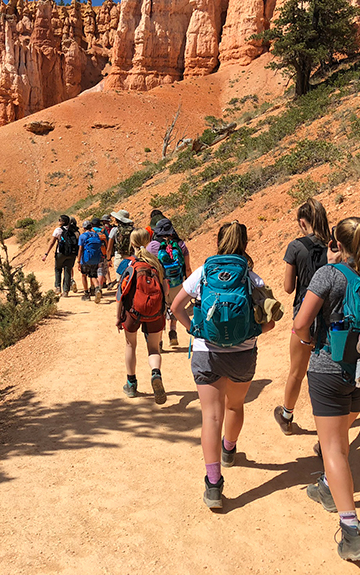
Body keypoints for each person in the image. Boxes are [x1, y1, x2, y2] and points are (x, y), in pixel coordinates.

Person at [292, 217, 360, 561]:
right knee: (340, 434)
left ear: (335, 244)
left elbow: (301, 321)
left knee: (332, 448)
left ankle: (352, 531)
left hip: (329, 369)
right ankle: (328, 489)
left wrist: (307, 339)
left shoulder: (329, 274)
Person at [170, 222, 275, 510]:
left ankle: (213, 484)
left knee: (210, 417)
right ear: (245, 242)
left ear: (218, 242)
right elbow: (271, 322)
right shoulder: (254, 280)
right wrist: (249, 333)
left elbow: (176, 307)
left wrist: (195, 329)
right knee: (234, 407)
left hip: (206, 352)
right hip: (242, 355)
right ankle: (229, 449)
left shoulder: (202, 274)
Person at [274, 198, 332, 434]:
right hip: (331, 315)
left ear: (302, 222)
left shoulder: (296, 247)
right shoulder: (334, 245)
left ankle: (287, 416)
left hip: (304, 318)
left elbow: (288, 287)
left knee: (297, 373)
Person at [116, 228, 168, 404]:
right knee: (154, 349)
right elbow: (165, 289)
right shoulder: (156, 263)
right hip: (155, 312)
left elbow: (120, 293)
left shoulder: (127, 264)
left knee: (130, 345)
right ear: (148, 240)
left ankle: (131, 384)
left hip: (133, 312)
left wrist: (118, 317)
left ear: (132, 243)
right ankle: (156, 373)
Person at [148, 218, 192, 347]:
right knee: (175, 307)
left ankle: (160, 339)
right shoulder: (180, 244)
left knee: (160, 310)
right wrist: (189, 283)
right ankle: (173, 331)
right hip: (177, 282)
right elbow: (187, 267)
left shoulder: (152, 246)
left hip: (159, 283)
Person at [42, 215, 79, 297]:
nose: (58, 221)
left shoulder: (58, 230)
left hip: (60, 253)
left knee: (58, 269)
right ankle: (66, 291)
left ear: (63, 222)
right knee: (68, 271)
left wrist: (46, 254)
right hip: (71, 254)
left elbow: (52, 242)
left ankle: (58, 287)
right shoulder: (74, 231)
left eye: (60, 220)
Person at [77, 219, 103, 303]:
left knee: (84, 275)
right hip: (95, 259)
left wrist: (78, 261)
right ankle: (96, 289)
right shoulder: (96, 235)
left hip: (86, 259)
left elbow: (80, 249)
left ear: (84, 228)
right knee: (93, 276)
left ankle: (86, 294)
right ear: (91, 227)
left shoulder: (83, 236)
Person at [107, 209, 134, 278]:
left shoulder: (114, 230)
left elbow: (109, 247)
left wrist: (108, 259)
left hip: (119, 255)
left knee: (120, 279)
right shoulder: (133, 229)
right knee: (130, 278)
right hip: (131, 256)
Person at [98, 215, 116, 288]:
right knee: (106, 265)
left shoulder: (102, 229)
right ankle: (105, 281)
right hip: (112, 247)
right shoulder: (112, 228)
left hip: (104, 249)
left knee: (104, 265)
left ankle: (108, 281)